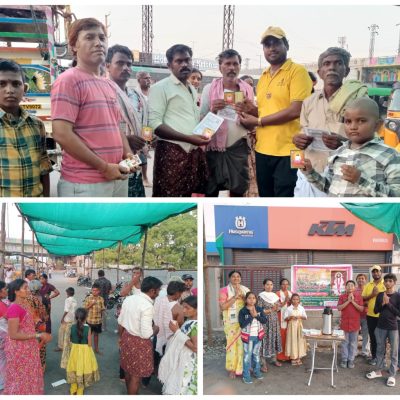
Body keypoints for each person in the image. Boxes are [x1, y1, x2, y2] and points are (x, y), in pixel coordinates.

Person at [51, 18, 137, 197]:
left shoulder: (108, 84)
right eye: (89, 37)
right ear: (74, 45)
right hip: (85, 183)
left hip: (116, 176)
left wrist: (128, 154)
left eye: (102, 38)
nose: (98, 43)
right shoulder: (69, 80)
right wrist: (103, 167)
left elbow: (116, 127)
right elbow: (61, 133)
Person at [239, 26, 312, 197]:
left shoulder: (297, 71)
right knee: (266, 197)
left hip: (293, 150)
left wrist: (257, 121)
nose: (272, 48)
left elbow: (296, 110)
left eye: (276, 43)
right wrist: (252, 111)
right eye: (267, 45)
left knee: (289, 197)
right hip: (263, 149)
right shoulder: (263, 76)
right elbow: (267, 111)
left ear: (286, 45)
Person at [293, 47, 368, 197]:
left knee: (335, 220)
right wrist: (296, 140)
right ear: (320, 72)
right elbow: (302, 134)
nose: (332, 67)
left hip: (342, 177)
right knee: (305, 219)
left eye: (338, 63)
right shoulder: (308, 102)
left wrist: (343, 144)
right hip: (308, 173)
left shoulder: (358, 101)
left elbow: (368, 141)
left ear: (346, 71)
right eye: (326, 64)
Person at [302, 97, 400, 196]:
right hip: (337, 210)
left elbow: (396, 196)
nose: (353, 127)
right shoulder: (338, 152)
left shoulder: (390, 155)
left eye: (361, 121)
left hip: (366, 211)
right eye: (348, 121)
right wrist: (310, 173)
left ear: (377, 125)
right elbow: (328, 187)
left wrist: (360, 180)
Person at [148, 44, 211, 196]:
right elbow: (155, 124)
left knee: (189, 200)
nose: (184, 64)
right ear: (169, 65)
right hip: (171, 154)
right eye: (179, 61)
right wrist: (188, 138)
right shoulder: (160, 88)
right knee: (169, 199)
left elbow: (191, 119)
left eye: (187, 60)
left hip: (192, 154)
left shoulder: (192, 88)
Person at [200, 49, 254, 197]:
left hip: (238, 147)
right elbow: (202, 127)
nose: (232, 68)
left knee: (239, 190)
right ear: (220, 67)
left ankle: (235, 219)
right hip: (213, 149)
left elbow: (251, 124)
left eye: (235, 64)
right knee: (211, 191)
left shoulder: (247, 89)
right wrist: (214, 112)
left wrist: (246, 112)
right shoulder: (209, 89)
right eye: (227, 64)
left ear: (240, 66)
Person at [0, 59, 52, 197]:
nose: (9, 90)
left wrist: (46, 200)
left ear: (25, 89)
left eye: (16, 84)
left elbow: (44, 167)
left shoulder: (37, 125)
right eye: (2, 84)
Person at [105, 45, 149, 196]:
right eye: (120, 63)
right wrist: (126, 140)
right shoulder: (102, 91)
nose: (125, 68)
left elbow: (144, 122)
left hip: (134, 158)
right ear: (108, 66)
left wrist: (147, 139)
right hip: (112, 161)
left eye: (129, 64)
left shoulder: (136, 95)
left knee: (136, 201)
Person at [4, 279, 51, 395]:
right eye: (25, 288)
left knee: (30, 376)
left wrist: (39, 326)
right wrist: (38, 335)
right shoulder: (14, 307)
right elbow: (13, 334)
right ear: (16, 292)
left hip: (28, 346)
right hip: (19, 349)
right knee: (21, 380)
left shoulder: (25, 303)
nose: (28, 290)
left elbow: (28, 320)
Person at [118, 276, 162, 395]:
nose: (158, 293)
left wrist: (121, 338)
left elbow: (120, 321)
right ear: (152, 291)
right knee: (136, 378)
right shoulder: (147, 306)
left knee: (127, 370)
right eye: (158, 290)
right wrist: (155, 329)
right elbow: (146, 334)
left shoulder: (129, 299)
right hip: (139, 343)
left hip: (127, 338)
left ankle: (130, 393)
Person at [158, 295, 198, 394]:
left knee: (183, 387)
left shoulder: (196, 325)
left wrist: (177, 332)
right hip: (181, 360)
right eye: (183, 307)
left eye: (187, 308)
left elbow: (196, 348)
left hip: (188, 363)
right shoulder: (189, 321)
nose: (184, 311)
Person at [366, 273, 400, 387]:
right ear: (384, 283)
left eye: (390, 281)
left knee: (394, 352)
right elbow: (376, 311)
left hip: (393, 328)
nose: (388, 283)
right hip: (380, 327)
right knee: (380, 349)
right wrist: (382, 303)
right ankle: (379, 371)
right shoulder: (380, 295)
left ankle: (392, 375)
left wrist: (388, 304)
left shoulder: (398, 296)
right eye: (386, 281)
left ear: (394, 282)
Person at [219, 270, 250, 379]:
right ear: (229, 278)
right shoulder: (224, 290)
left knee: (244, 344)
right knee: (232, 345)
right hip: (231, 322)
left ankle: (243, 367)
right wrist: (235, 297)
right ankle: (232, 368)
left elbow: (251, 303)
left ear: (240, 279)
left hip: (244, 321)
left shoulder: (245, 290)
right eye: (233, 276)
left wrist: (243, 297)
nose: (236, 278)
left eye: (238, 276)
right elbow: (223, 307)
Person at [66, 307, 100, 395]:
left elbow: (70, 340)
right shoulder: (88, 328)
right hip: (85, 351)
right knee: (82, 368)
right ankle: (80, 390)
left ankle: (73, 387)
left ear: (75, 317)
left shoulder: (72, 327)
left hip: (74, 351)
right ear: (86, 318)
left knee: (74, 368)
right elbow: (89, 343)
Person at [238, 291, 267, 384]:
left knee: (256, 355)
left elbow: (264, 320)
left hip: (258, 337)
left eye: (253, 298)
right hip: (248, 338)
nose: (251, 300)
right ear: (246, 300)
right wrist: (251, 316)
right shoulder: (243, 311)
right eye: (249, 298)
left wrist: (256, 316)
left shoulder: (259, 309)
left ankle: (257, 372)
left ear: (256, 300)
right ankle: (246, 375)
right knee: (247, 356)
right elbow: (242, 325)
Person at [154, 280, 186, 357]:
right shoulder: (178, 308)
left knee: (157, 360)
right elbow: (180, 327)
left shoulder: (158, 300)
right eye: (181, 293)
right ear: (178, 293)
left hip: (157, 334)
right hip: (171, 340)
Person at [362, 265, 386, 365]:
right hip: (370, 315)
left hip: (383, 316)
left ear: (381, 272)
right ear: (372, 273)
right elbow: (363, 298)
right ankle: (374, 357)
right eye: (374, 272)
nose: (376, 273)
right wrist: (373, 294)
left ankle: (382, 359)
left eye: (378, 271)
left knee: (382, 338)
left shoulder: (386, 284)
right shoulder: (368, 285)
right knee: (372, 337)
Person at [337, 280, 364, 368]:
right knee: (344, 342)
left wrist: (352, 301)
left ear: (355, 287)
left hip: (355, 324)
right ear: (345, 287)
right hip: (344, 323)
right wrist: (348, 301)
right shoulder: (342, 296)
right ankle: (344, 360)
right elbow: (339, 308)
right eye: (348, 285)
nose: (350, 287)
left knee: (353, 343)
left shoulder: (359, 297)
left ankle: (351, 360)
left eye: (352, 285)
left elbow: (361, 309)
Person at [257, 278, 282, 368]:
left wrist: (277, 308)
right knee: (264, 340)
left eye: (271, 284)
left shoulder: (275, 296)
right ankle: (263, 362)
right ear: (264, 286)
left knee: (274, 338)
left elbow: (279, 308)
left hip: (274, 321)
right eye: (267, 284)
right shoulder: (261, 296)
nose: (269, 286)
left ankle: (274, 359)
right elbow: (259, 310)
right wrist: (271, 309)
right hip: (265, 322)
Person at [27, 279, 49, 371]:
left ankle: (33, 366)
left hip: (29, 327)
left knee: (31, 346)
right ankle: (42, 366)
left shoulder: (26, 299)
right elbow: (45, 314)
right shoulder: (41, 298)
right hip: (40, 326)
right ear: (39, 288)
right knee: (41, 346)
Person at [283, 293, 307, 366]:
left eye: (297, 299)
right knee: (292, 340)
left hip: (299, 326)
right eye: (293, 299)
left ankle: (299, 357)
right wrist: (290, 317)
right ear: (291, 300)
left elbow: (305, 317)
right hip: (291, 326)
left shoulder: (301, 308)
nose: (295, 301)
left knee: (299, 340)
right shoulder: (289, 308)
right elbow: (285, 318)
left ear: (299, 300)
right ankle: (293, 357)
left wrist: (300, 316)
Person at [83, 283, 105, 354]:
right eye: (93, 290)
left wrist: (103, 311)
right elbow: (84, 309)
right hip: (89, 320)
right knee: (88, 335)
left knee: (96, 335)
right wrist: (91, 305)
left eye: (96, 291)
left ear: (99, 291)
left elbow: (102, 309)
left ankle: (96, 349)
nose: (94, 292)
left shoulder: (101, 299)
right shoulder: (88, 298)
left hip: (98, 321)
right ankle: (87, 349)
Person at [55, 287, 77, 360]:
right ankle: (69, 346)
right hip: (72, 318)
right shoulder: (74, 300)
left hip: (67, 318)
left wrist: (62, 318)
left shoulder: (67, 300)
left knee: (61, 332)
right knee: (69, 333)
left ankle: (61, 346)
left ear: (67, 293)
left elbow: (66, 310)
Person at [276, 278, 292, 362]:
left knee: (289, 335)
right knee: (281, 336)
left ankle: (289, 355)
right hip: (280, 316)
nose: (285, 286)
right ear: (280, 285)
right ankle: (281, 356)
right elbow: (277, 307)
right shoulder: (277, 294)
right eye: (283, 284)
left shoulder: (291, 293)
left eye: (286, 284)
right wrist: (285, 301)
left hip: (289, 317)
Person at [356, 273, 370, 357]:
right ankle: (354, 351)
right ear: (356, 280)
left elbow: (369, 302)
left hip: (366, 315)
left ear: (366, 280)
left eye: (362, 278)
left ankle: (365, 351)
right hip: (356, 316)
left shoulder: (368, 290)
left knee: (366, 335)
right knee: (354, 335)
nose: (361, 280)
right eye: (359, 278)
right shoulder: (354, 290)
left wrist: (363, 303)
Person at [0, 281, 9, 393]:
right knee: (3, 360)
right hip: (3, 339)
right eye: (5, 289)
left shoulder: (4, 304)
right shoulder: (2, 306)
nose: (7, 291)